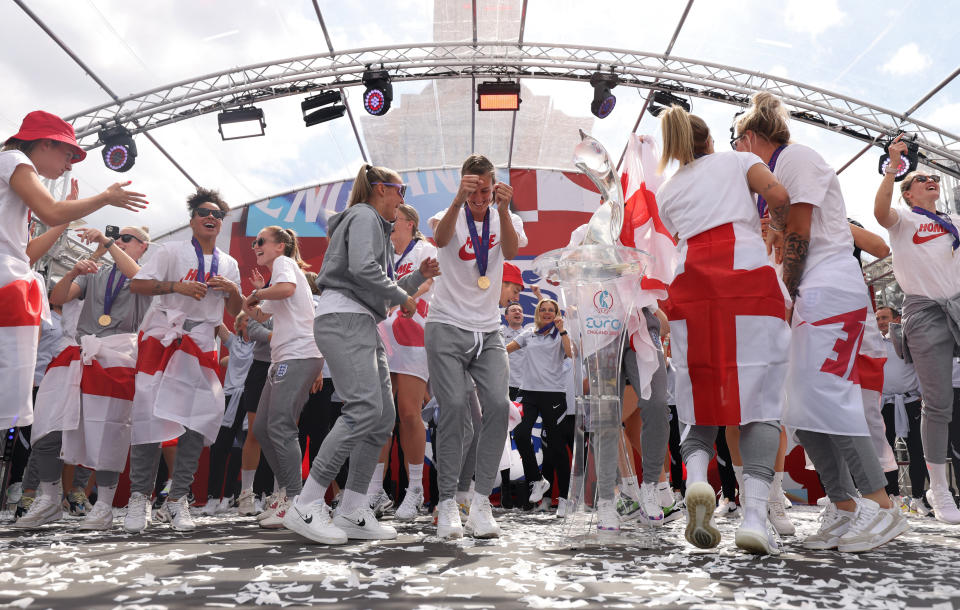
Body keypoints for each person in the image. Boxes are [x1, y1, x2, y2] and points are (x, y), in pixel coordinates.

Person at [735, 91, 908, 552]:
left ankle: (882, 506)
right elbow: (783, 233)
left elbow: (801, 230)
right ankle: (845, 505)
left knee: (831, 396)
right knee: (801, 409)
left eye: (738, 144)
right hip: (810, 295)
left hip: (830, 291)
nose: (737, 157)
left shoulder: (797, 159)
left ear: (751, 137)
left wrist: (786, 294)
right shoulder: (783, 169)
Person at [657, 104, 792, 555]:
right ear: (711, 139)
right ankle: (754, 516)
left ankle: (697, 481)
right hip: (748, 281)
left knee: (699, 398)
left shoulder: (667, 190)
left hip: (692, 287)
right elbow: (778, 195)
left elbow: (684, 234)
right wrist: (776, 231)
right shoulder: (738, 160)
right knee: (761, 403)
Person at [283, 164, 438, 545]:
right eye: (400, 191)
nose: (403, 200)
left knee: (382, 416)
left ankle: (353, 509)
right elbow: (364, 270)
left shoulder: (371, 224)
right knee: (364, 410)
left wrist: (415, 279)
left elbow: (369, 281)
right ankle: (306, 502)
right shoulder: (365, 215)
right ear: (381, 189)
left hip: (360, 322)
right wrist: (404, 296)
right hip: (345, 319)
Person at [1, 110, 146, 435]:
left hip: (11, 285)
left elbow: (25, 254)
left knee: (7, 403)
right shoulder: (13, 159)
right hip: (6, 288)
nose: (68, 166)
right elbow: (50, 211)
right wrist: (105, 198)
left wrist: (65, 215)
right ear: (43, 144)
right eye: (68, 155)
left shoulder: (15, 178)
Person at [16, 225, 151, 531]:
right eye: (117, 238)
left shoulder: (145, 278)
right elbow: (58, 296)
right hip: (80, 353)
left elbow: (138, 276)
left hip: (117, 358)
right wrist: (73, 271)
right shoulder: (96, 273)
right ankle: (49, 499)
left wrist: (105, 243)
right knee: (48, 426)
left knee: (108, 432)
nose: (119, 241)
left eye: (126, 238)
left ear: (143, 246)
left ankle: (103, 505)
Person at [124, 187, 242, 533]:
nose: (211, 218)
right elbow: (138, 285)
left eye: (217, 214)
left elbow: (235, 312)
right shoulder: (171, 251)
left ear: (222, 223)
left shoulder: (230, 263)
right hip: (163, 336)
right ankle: (139, 498)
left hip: (203, 343)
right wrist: (178, 287)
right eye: (204, 212)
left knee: (196, 420)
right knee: (148, 415)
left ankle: (178, 499)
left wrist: (232, 291)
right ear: (192, 220)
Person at [426, 154, 526, 540]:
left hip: (488, 331)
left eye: (486, 189)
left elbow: (514, 252)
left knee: (499, 407)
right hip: (446, 325)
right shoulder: (445, 214)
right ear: (464, 185)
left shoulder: (507, 218)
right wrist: (457, 201)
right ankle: (448, 503)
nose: (481, 197)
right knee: (452, 409)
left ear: (494, 185)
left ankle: (481, 502)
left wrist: (502, 208)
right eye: (474, 189)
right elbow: (440, 240)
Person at [874, 135, 960, 524]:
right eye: (922, 179)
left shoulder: (954, 221)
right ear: (908, 193)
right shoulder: (904, 219)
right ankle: (938, 489)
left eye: (935, 179)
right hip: (924, 313)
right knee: (938, 403)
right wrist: (894, 166)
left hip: (958, 306)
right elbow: (878, 212)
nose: (932, 181)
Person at [242, 226, 325, 529]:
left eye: (261, 241)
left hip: (299, 354)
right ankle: (285, 496)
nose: (256, 246)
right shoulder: (278, 273)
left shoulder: (284, 264)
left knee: (279, 425)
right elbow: (262, 316)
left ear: (281, 246)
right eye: (254, 242)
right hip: (283, 358)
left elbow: (285, 291)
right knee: (263, 428)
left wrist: (255, 293)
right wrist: (245, 303)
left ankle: (297, 501)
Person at [368, 203, 438, 521]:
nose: (389, 225)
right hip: (383, 337)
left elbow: (429, 281)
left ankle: (414, 490)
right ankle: (374, 491)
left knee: (409, 413)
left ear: (410, 223)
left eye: (394, 220)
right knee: (382, 416)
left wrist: (408, 296)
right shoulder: (382, 252)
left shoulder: (424, 248)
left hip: (414, 336)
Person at [505, 298, 574, 509]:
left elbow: (570, 354)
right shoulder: (529, 333)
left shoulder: (561, 334)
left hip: (553, 394)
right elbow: (505, 350)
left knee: (556, 448)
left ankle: (563, 497)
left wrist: (562, 332)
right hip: (529, 392)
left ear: (556, 314)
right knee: (521, 434)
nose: (546, 313)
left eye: (550, 310)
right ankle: (537, 480)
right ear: (537, 312)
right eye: (543, 310)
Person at [202, 312, 256, 516]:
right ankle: (213, 498)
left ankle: (238, 496)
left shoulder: (261, 344)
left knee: (244, 450)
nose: (250, 322)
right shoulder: (233, 342)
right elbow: (216, 321)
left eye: (253, 319)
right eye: (246, 319)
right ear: (239, 325)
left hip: (251, 397)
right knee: (219, 448)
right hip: (230, 397)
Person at [876, 305, 926, 508]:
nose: (880, 322)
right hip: (885, 404)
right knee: (885, 451)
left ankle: (918, 498)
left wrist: (923, 395)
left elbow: (922, 367)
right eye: (878, 318)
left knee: (917, 450)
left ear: (897, 319)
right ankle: (892, 497)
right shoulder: (872, 343)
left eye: (885, 317)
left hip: (910, 402)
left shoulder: (910, 341)